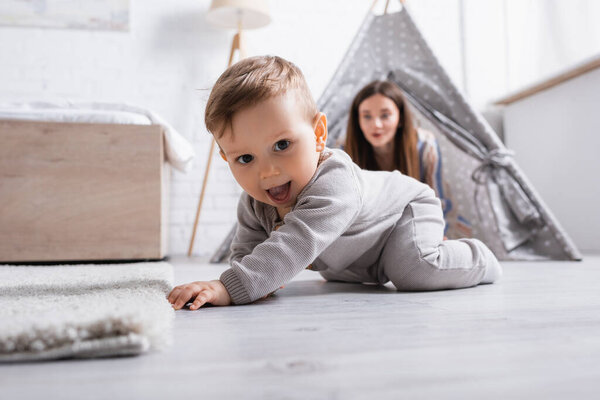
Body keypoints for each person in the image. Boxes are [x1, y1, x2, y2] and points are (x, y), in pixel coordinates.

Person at [168, 56, 502, 310]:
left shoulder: (334, 180)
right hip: (360, 255)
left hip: (404, 212)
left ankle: (479, 256)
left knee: (414, 271)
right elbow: (248, 249)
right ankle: (373, 267)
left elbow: (296, 241)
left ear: (317, 135)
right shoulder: (256, 200)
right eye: (245, 159)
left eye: (282, 145)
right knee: (339, 274)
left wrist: (230, 287)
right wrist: (251, 279)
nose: (267, 172)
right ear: (227, 159)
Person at [345, 80, 451, 222]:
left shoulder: (425, 145)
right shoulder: (344, 151)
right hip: (370, 227)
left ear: (400, 118)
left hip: (418, 220)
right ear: (357, 120)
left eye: (385, 115)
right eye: (367, 116)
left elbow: (436, 200)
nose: (376, 125)